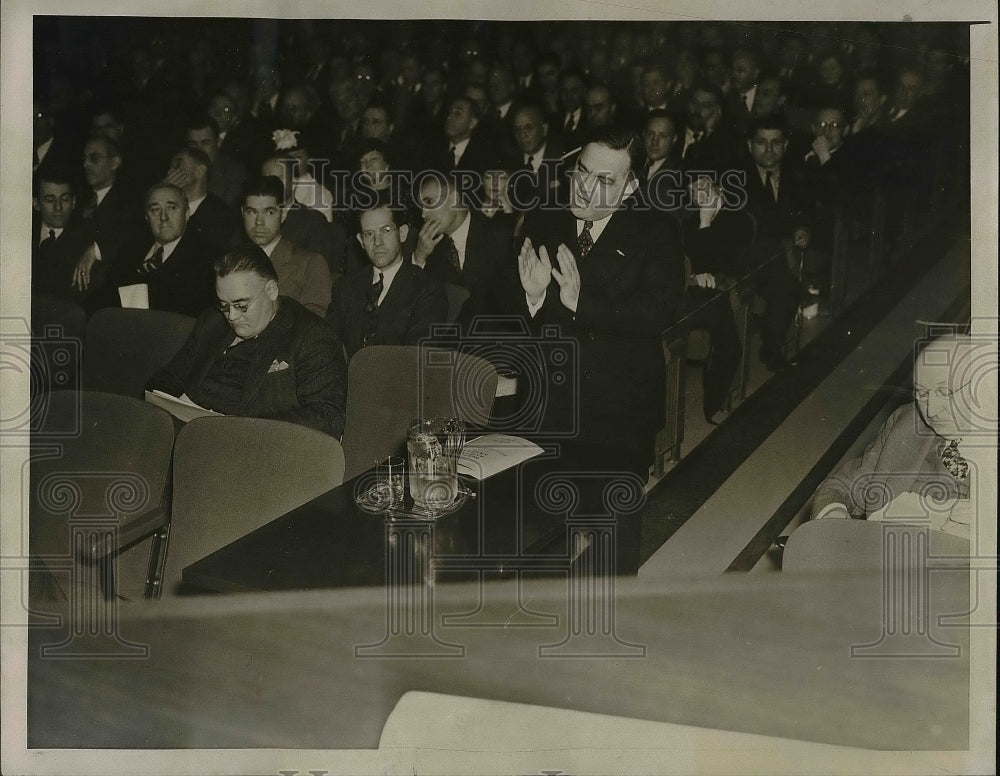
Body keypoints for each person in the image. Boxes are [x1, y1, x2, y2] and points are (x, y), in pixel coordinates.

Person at [513, 124, 685, 477]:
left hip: (619, 410)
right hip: (550, 404)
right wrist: (532, 297)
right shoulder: (545, 218)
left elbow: (656, 313)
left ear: (629, 188)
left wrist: (580, 304)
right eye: (582, 171)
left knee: (608, 518)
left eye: (604, 182)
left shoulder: (657, 231)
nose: (584, 189)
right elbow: (506, 309)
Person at [147, 244, 347, 439]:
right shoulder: (212, 320)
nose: (232, 316)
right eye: (224, 305)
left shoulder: (312, 336)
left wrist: (242, 427)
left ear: (271, 291)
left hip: (249, 446)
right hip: (186, 435)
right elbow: (170, 376)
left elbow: (327, 418)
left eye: (241, 305)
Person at [809, 335, 981, 538]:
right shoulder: (907, 422)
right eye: (922, 393)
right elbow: (840, 486)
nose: (931, 410)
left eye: (945, 392)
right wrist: (833, 514)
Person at [328, 198, 447, 359]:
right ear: (361, 241)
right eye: (369, 234)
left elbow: (417, 359)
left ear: (403, 233)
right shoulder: (345, 287)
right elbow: (328, 345)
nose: (378, 242)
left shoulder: (427, 288)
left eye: (386, 230)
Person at [85, 182, 215, 317]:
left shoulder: (205, 258)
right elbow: (105, 295)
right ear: (147, 218)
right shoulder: (131, 250)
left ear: (187, 213)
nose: (163, 217)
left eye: (171, 208)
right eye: (155, 210)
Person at [410, 171, 514, 323]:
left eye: (429, 202)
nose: (423, 214)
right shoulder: (427, 247)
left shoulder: (497, 234)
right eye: (422, 206)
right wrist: (419, 258)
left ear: (454, 198)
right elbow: (413, 304)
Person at [240, 175, 332, 317]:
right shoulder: (231, 261)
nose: (259, 222)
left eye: (269, 212)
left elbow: (315, 325)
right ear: (242, 213)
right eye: (252, 211)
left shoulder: (310, 264)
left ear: (283, 214)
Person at [31, 167, 100, 303]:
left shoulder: (87, 239)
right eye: (50, 199)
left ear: (73, 202)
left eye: (65, 199)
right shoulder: (20, 235)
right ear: (36, 203)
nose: (58, 207)